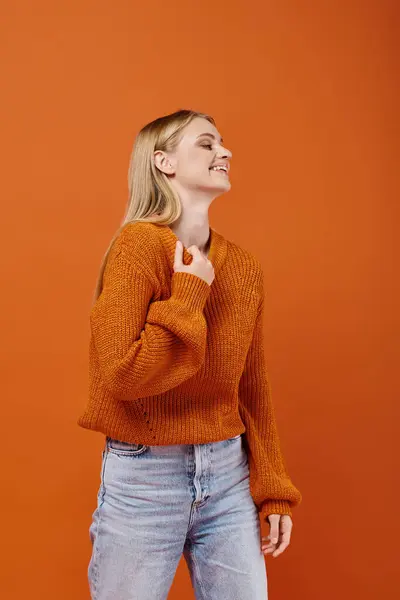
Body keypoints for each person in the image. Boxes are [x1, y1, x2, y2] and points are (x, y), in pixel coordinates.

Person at [77, 109, 302, 599]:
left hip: (227, 476)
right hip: (144, 477)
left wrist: (274, 488)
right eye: (206, 143)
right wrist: (186, 297)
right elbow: (122, 376)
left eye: (223, 143)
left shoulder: (242, 267)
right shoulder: (137, 248)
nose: (225, 152)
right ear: (164, 162)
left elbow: (252, 386)